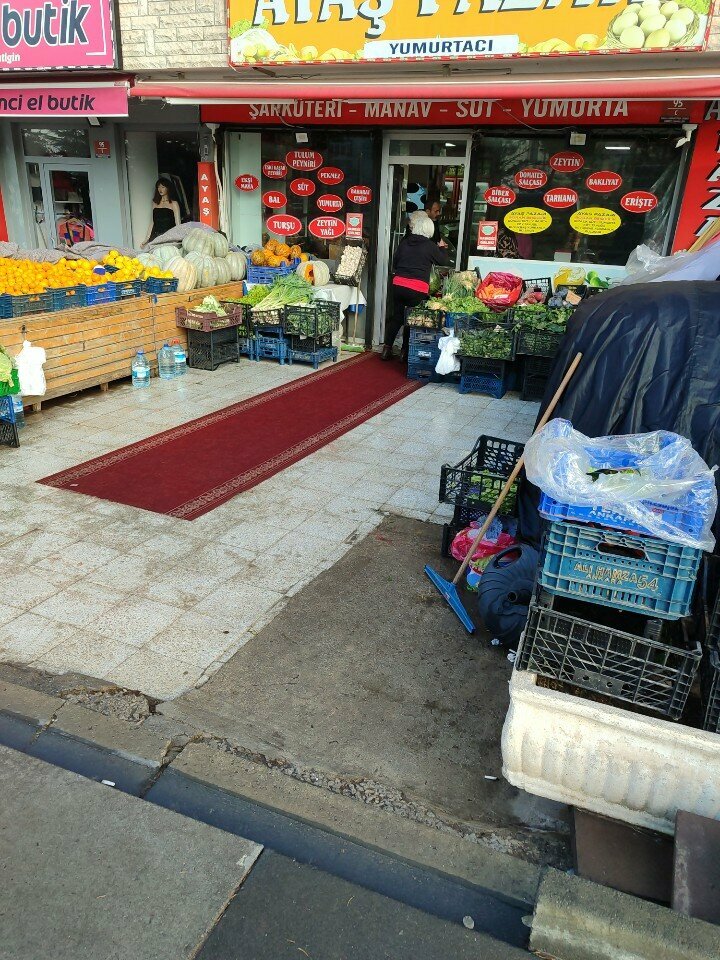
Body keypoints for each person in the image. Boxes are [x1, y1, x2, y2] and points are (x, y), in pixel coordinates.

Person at [383, 211, 450, 362]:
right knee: (410, 319)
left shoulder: (404, 242)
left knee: (397, 317)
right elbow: (443, 261)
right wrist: (442, 247)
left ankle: (386, 349)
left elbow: (395, 263)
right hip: (417, 288)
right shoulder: (430, 246)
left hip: (398, 285)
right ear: (429, 230)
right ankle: (404, 352)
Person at [142, 177, 181, 246]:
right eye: (158, 187)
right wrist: (147, 238)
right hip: (156, 237)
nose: (160, 189)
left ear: (168, 188)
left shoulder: (174, 204)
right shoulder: (155, 203)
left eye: (163, 187)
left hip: (169, 237)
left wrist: (177, 238)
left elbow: (178, 224)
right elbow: (152, 222)